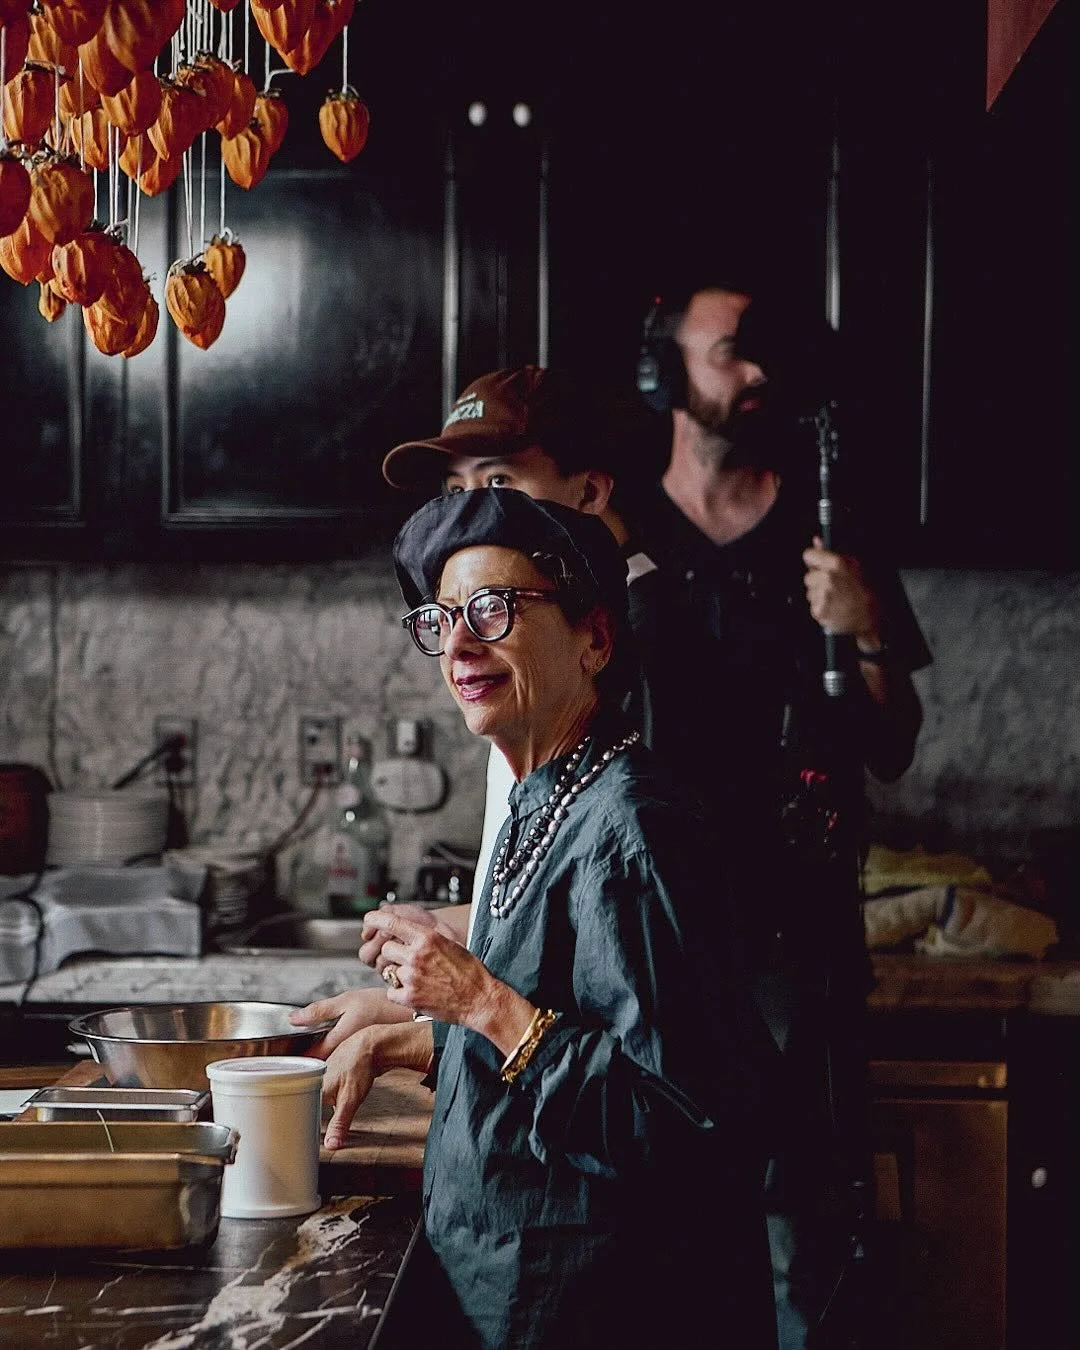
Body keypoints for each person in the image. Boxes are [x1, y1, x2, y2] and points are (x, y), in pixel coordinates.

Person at [314, 487, 780, 1348]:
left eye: (492, 610)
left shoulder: (634, 829)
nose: (457, 643)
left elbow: (683, 1126)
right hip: (505, 1291)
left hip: (601, 1308)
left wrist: (478, 999)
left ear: (593, 637)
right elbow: (562, 1028)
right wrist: (407, 1032)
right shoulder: (543, 799)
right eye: (442, 618)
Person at [628, 275, 932, 1348]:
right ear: (665, 372)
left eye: (764, 357)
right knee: (664, 1234)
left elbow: (892, 741)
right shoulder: (617, 528)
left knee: (806, 1233)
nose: (756, 375)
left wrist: (870, 621)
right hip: (655, 941)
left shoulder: (828, 526)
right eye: (730, 353)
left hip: (799, 940)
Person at [292, 365, 652, 1141]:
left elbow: (645, 1046)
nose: (471, 511)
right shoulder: (518, 682)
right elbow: (561, 920)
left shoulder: (639, 676)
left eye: (499, 480)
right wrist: (427, 976)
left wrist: (429, 1024)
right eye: (456, 489)